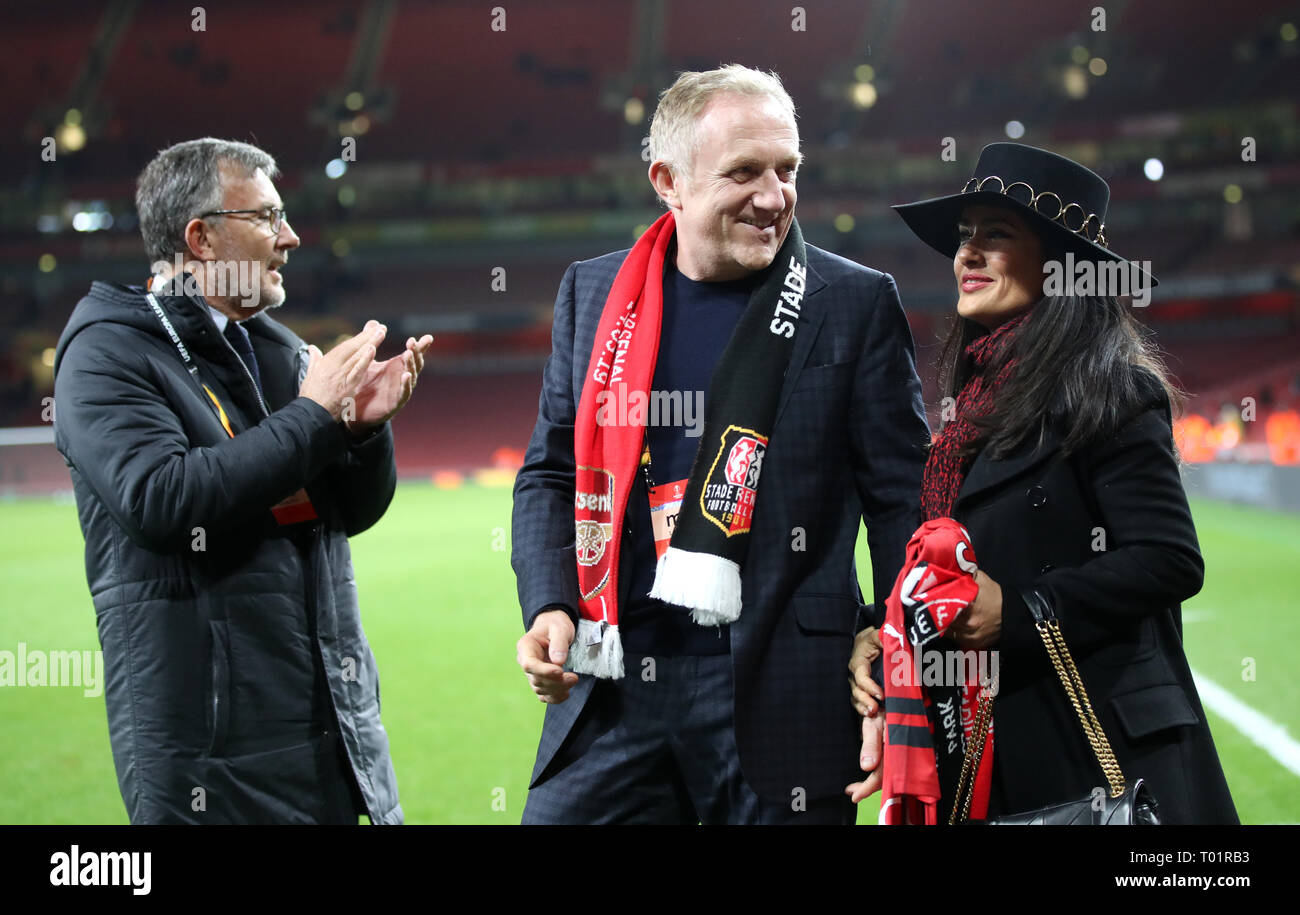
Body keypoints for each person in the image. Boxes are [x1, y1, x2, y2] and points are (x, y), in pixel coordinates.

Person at [511, 65, 929, 824]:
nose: (773, 198)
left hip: (785, 695)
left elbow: (905, 500)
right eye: (744, 171)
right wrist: (549, 601)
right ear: (667, 180)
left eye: (787, 169)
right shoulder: (594, 292)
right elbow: (549, 470)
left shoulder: (854, 302)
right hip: (613, 683)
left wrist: (892, 638)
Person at [853, 141, 1237, 822]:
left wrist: (1024, 611)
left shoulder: (1114, 390)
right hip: (990, 748)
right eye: (964, 236)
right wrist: (885, 647)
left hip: (1099, 752)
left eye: (995, 236)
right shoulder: (971, 410)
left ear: (1060, 267)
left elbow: (1169, 558)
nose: (966, 254)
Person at [53, 138, 433, 824]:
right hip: (209, 759)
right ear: (200, 238)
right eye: (266, 217)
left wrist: (360, 432)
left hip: (335, 730)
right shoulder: (107, 352)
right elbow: (163, 500)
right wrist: (315, 415)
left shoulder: (277, 347)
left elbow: (346, 511)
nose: (289, 237)